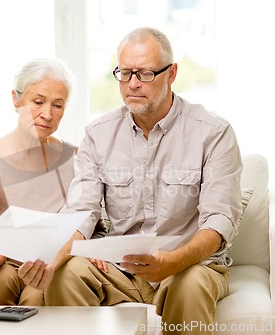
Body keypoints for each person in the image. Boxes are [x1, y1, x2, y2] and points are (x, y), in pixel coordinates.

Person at [19, 27, 243, 334]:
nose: (133, 84)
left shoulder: (213, 133)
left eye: (145, 74)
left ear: (171, 73)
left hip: (189, 266)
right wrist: (50, 261)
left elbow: (219, 221)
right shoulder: (98, 134)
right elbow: (81, 212)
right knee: (65, 273)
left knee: (189, 285)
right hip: (121, 269)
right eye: (124, 73)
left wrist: (174, 261)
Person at [0, 58, 76, 306]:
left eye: (57, 105)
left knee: (37, 293)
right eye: (38, 102)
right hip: (2, 267)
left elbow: (94, 227)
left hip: (52, 265)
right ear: (16, 99)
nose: (47, 114)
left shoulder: (77, 160)